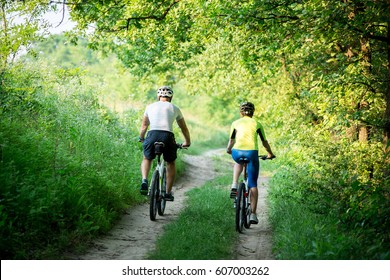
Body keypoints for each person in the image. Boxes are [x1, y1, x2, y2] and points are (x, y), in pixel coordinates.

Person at [139, 86, 191, 201]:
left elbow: (144, 126)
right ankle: (167, 192)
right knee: (170, 163)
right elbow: (184, 128)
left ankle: (144, 180)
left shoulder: (150, 107)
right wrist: (187, 141)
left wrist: (141, 138)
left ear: (158, 96)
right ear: (171, 97)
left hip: (152, 134)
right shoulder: (175, 108)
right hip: (167, 136)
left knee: (147, 158)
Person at [226, 101, 275, 224]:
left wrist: (228, 150)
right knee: (253, 184)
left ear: (241, 112)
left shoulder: (235, 123)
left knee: (238, 161)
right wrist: (270, 153)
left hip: (237, 151)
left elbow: (231, 140)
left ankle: (234, 184)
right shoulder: (257, 123)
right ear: (253, 112)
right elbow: (264, 142)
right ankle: (253, 214)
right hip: (251, 152)